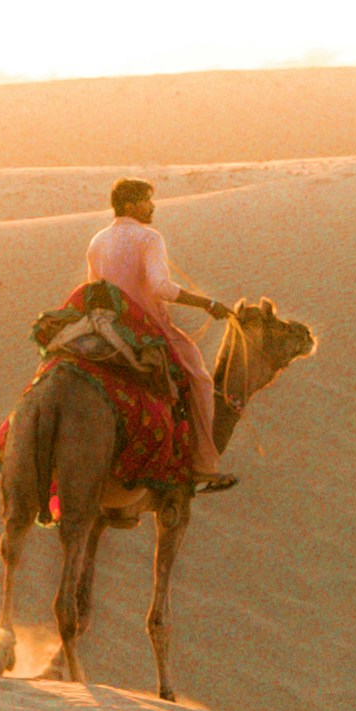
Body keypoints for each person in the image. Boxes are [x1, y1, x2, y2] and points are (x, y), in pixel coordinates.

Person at [75, 176, 233, 490]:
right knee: (199, 379)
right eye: (148, 199)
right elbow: (161, 287)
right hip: (147, 328)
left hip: (107, 329)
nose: (153, 206)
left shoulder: (97, 241)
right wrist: (207, 303)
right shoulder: (149, 238)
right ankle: (203, 466)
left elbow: (94, 290)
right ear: (131, 204)